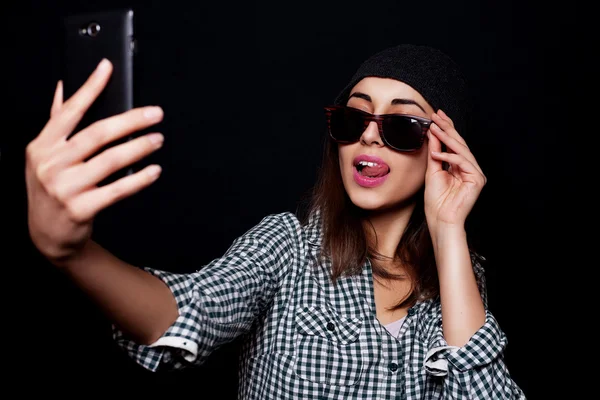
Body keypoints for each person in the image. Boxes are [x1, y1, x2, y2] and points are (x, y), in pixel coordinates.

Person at [25, 44, 526, 399]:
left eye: (400, 125)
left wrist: (448, 229)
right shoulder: (287, 245)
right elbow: (183, 316)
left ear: (443, 151)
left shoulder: (462, 276)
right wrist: (71, 253)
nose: (369, 138)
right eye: (353, 119)